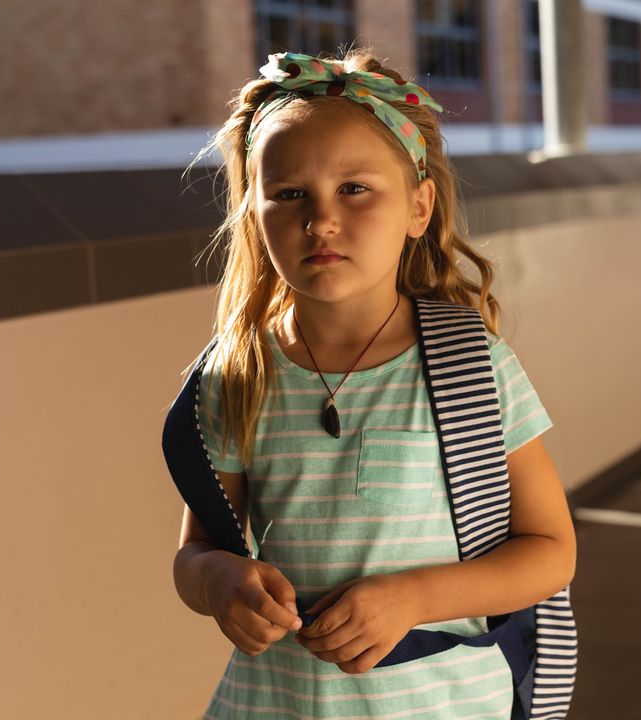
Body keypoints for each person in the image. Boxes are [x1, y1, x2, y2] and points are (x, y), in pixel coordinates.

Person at [171, 46, 576, 718]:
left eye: (354, 189)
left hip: (444, 704)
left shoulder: (470, 368)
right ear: (254, 213)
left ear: (419, 208)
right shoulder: (236, 376)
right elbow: (196, 554)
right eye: (289, 194)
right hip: (278, 704)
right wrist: (220, 582)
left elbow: (549, 552)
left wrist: (415, 598)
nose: (321, 219)